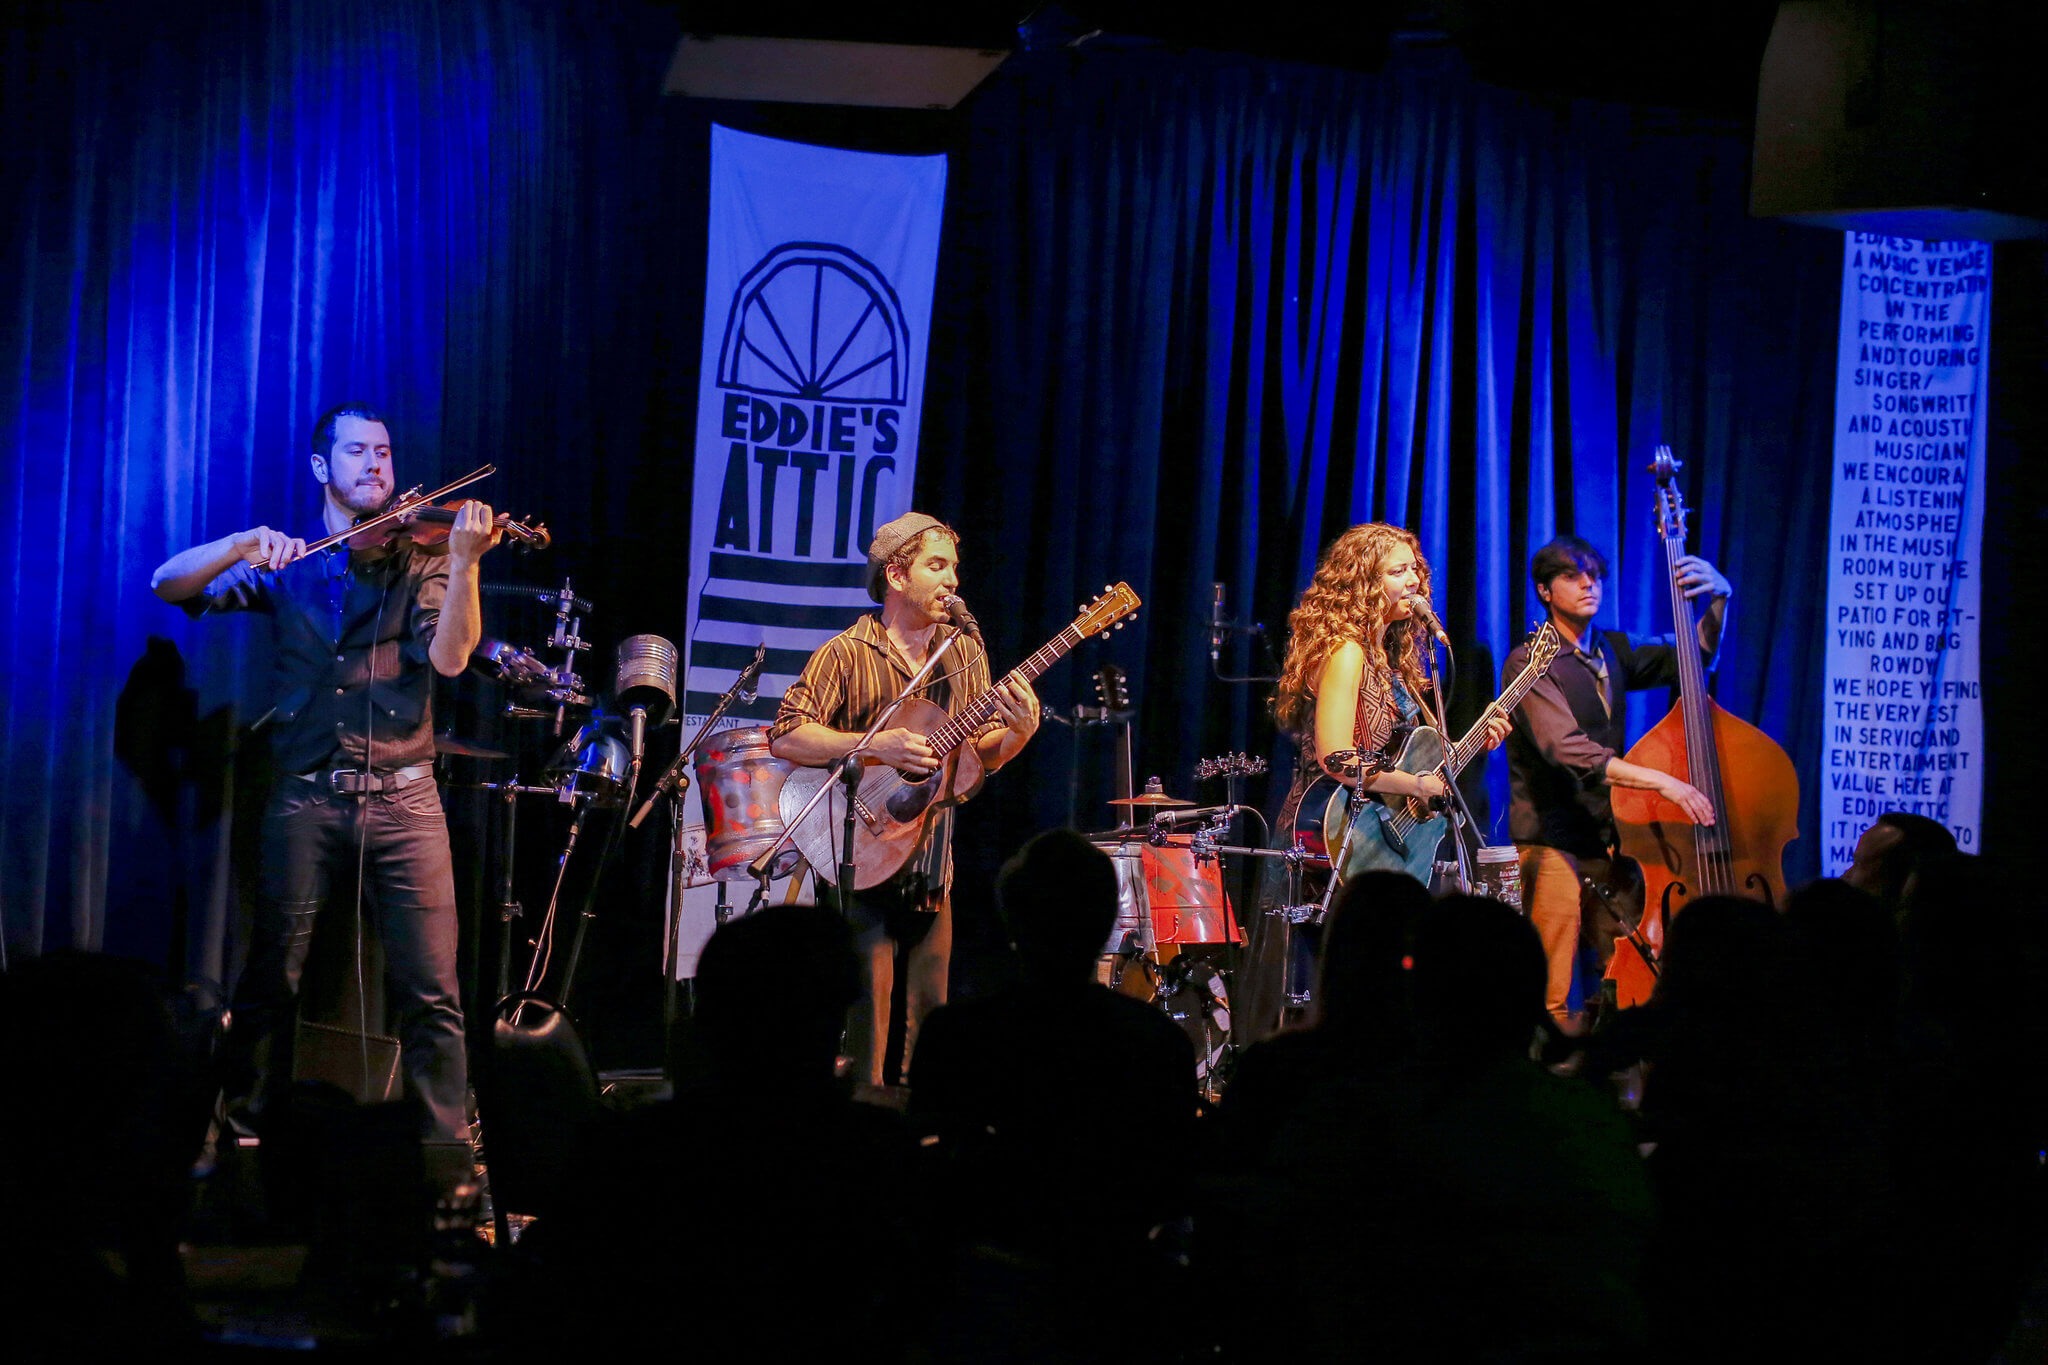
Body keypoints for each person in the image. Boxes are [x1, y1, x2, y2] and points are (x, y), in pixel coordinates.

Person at [149, 405, 500, 1141]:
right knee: (272, 979)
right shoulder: (294, 563)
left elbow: (450, 659)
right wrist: (242, 542)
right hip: (305, 799)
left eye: (385, 451)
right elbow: (167, 584)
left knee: (432, 993)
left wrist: (465, 560)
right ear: (321, 468)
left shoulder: (429, 558)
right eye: (357, 452)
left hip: (408, 800)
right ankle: (247, 1139)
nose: (377, 464)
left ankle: (443, 1163)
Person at [768, 512, 1039, 1088]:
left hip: (931, 864)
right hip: (856, 863)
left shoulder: (965, 655)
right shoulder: (845, 653)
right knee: (866, 1034)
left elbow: (977, 758)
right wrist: (876, 745)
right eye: (935, 566)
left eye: (955, 569)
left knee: (929, 1040)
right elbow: (787, 733)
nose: (952, 582)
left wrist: (1017, 735)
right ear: (896, 574)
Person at [1244, 523, 1510, 1038]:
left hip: (1378, 839)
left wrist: (1474, 744)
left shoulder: (1393, 658)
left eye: (1415, 569)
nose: (1415, 581)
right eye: (1398, 571)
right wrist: (1414, 788)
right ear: (1364, 582)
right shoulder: (1347, 652)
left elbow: (1409, 760)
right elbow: (1339, 758)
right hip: (1335, 833)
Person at [1503, 533, 1727, 1034]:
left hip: (1609, 841)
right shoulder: (1528, 662)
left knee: (1631, 979)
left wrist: (1720, 598)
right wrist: (1661, 782)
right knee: (1552, 993)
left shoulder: (1614, 649)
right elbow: (1567, 750)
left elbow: (1698, 657)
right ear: (1544, 591)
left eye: (1595, 575)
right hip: (1551, 841)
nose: (1588, 583)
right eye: (1571, 575)